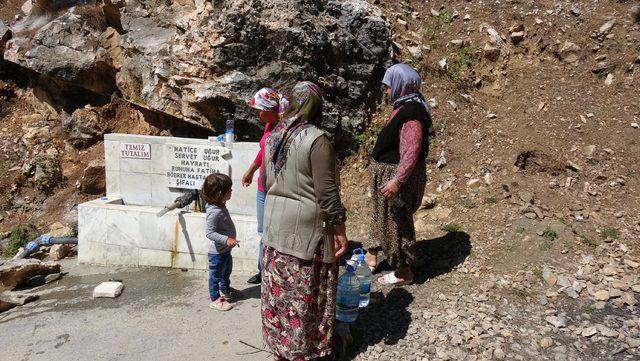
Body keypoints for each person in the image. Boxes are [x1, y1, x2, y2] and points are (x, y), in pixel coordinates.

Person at [260, 81, 348, 361]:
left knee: (280, 298)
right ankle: (304, 352)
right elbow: (327, 194)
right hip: (306, 237)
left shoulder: (275, 135)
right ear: (316, 106)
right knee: (304, 300)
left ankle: (281, 351)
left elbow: (264, 181)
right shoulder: (317, 139)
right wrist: (340, 229)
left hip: (275, 232)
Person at [363, 63, 431, 286]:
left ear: (401, 85)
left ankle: (404, 271)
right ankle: (374, 253)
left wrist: (397, 181)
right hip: (388, 175)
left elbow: (411, 151)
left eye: (388, 86)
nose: (385, 90)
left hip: (396, 178)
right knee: (383, 217)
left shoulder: (413, 112)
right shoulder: (405, 106)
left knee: (397, 222)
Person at [242, 87, 287, 285]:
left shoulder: (285, 129)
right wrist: (251, 170)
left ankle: (276, 269)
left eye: (261, 110)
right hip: (263, 186)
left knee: (276, 229)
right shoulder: (269, 125)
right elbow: (263, 151)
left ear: (273, 110)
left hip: (279, 187)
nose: (258, 114)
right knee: (262, 231)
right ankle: (263, 270)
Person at [202, 173, 241, 311]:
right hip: (217, 253)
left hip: (225, 250)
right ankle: (215, 298)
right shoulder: (214, 211)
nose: (232, 191)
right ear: (220, 193)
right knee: (215, 276)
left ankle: (225, 289)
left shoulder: (220, 206)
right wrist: (227, 239)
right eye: (229, 189)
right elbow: (210, 233)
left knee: (226, 271)